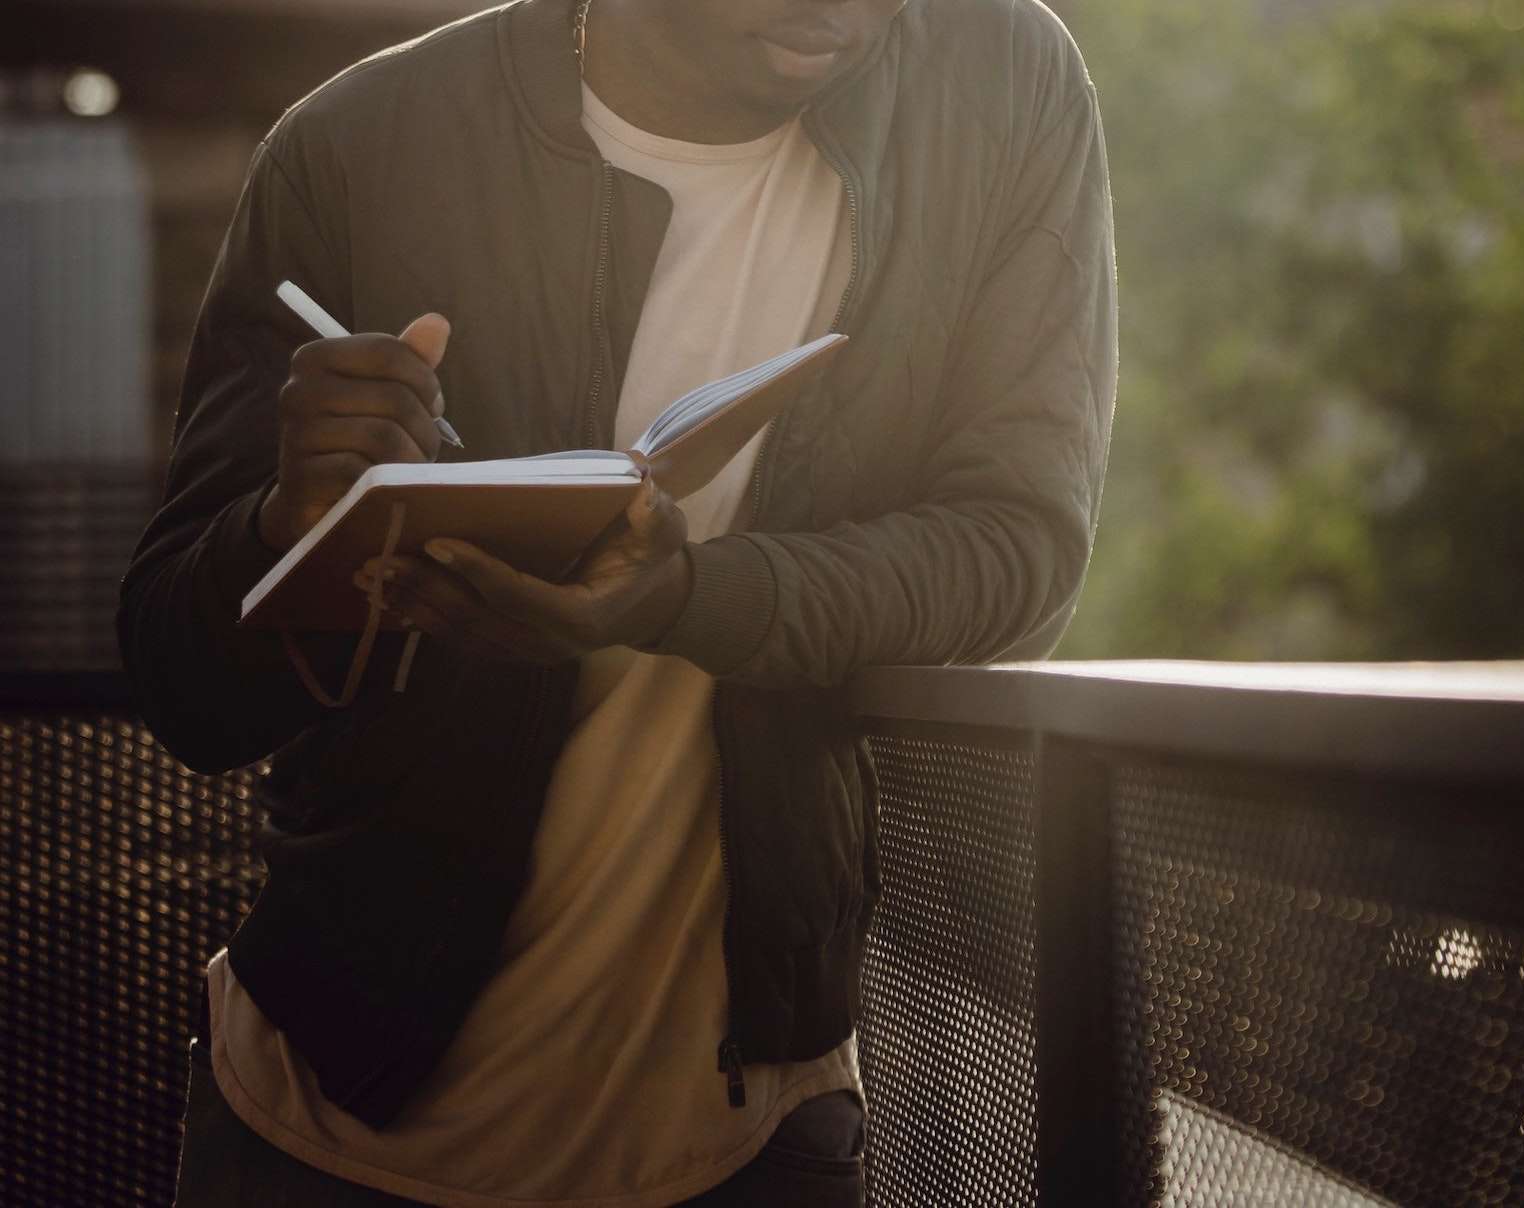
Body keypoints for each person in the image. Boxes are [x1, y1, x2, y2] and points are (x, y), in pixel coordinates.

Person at [118, 0, 1115, 1203]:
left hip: (749, 1122)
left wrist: (688, 595)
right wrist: (291, 519)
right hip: (335, 1115)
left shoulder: (999, 83)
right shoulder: (355, 145)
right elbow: (182, 684)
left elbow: (1017, 549)